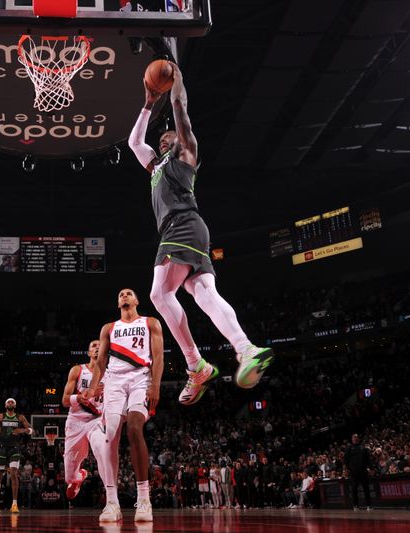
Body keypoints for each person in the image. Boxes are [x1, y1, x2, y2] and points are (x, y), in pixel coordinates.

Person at [127, 61, 274, 405]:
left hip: (181, 225)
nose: (165, 137)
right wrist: (148, 102)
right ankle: (246, 348)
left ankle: (196, 365)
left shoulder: (186, 153)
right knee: (204, 293)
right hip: (191, 231)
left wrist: (177, 82)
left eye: (170, 136)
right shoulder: (156, 163)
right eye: (162, 137)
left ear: (179, 142)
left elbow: (181, 110)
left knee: (160, 294)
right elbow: (135, 142)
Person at [86, 288, 164, 523]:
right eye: (120, 294)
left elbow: (158, 356)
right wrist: (93, 387)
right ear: (118, 302)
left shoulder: (151, 322)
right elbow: (100, 361)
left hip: (141, 378)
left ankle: (143, 499)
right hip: (114, 381)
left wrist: (156, 386)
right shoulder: (109, 328)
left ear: (137, 300)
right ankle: (112, 502)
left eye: (129, 293)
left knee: (133, 427)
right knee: (111, 434)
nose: (124, 295)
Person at [61, 339, 104, 500]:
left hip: (97, 420)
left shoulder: (112, 373)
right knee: (69, 478)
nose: (97, 348)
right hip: (76, 420)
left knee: (102, 450)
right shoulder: (77, 370)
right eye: (93, 345)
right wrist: (79, 397)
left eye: (101, 346)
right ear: (89, 353)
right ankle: (79, 476)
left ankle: (112, 498)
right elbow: (65, 401)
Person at [0, 398, 33, 513]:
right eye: (8, 402)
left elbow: (31, 430)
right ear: (5, 405)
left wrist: (21, 431)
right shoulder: (0, 416)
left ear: (15, 405)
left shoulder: (20, 417)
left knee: (13, 473)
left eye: (12, 402)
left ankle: (14, 504)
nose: (10, 403)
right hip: (2, 448)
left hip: (14, 448)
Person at [344, 434, 371, 510]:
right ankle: (355, 506)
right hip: (353, 472)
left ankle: (368, 505)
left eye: (356, 437)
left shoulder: (363, 447)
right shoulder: (349, 448)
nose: (355, 438)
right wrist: (348, 469)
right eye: (353, 437)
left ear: (358, 438)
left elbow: (367, 459)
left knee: (366, 488)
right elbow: (346, 460)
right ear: (352, 439)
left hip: (363, 471)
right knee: (354, 489)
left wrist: (369, 468)